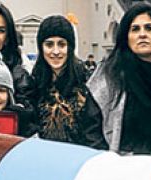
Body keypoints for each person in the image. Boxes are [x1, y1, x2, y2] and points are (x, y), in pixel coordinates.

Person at [87, 3, 151, 155]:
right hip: (121, 167)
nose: (142, 34)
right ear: (126, 37)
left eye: (149, 28)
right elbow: (91, 131)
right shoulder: (108, 77)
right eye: (135, 29)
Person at [31, 15, 106, 147]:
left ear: (70, 47)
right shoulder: (34, 83)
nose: (55, 51)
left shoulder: (86, 82)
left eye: (61, 44)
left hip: (80, 157)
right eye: (49, 44)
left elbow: (94, 132)